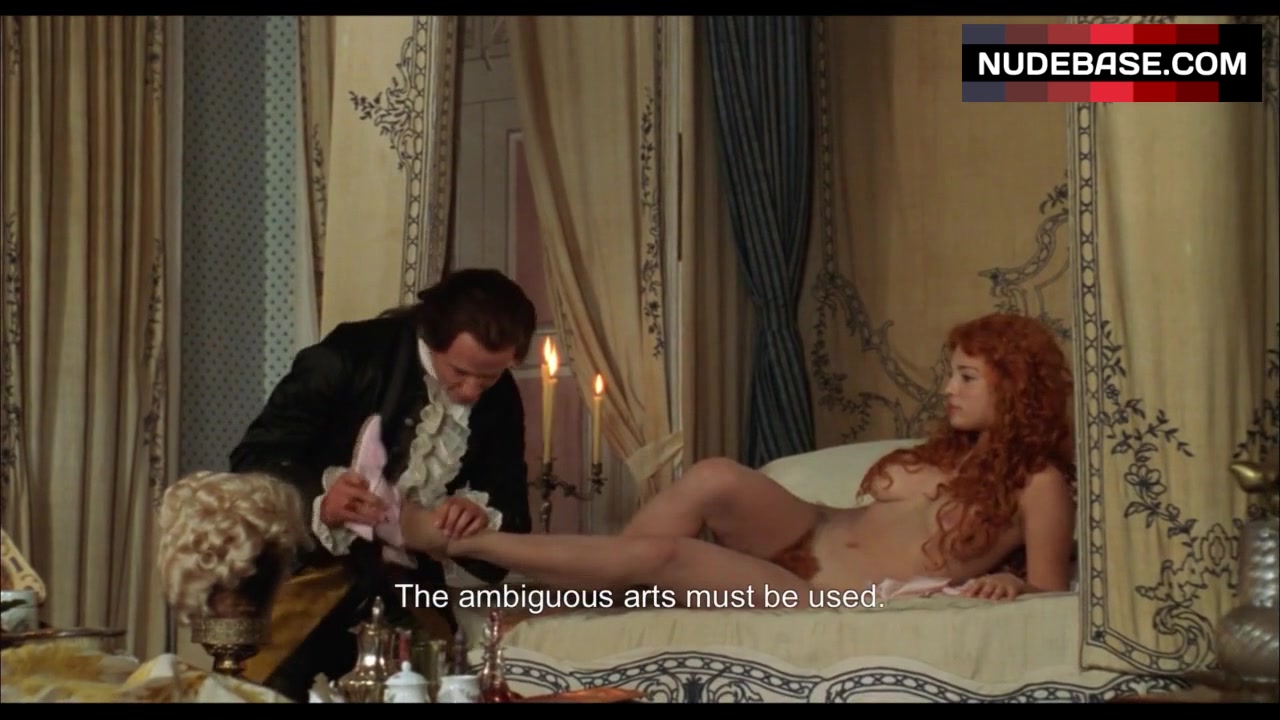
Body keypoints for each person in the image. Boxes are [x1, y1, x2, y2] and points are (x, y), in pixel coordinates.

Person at [398, 312, 1076, 606]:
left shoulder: (1038, 483)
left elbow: (1049, 590)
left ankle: (471, 544)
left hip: (824, 593)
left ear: (1013, 387)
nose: (948, 389)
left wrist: (1013, 583)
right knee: (716, 474)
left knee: (668, 557)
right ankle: (589, 598)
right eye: (951, 373)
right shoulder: (945, 452)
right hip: (809, 528)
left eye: (966, 377)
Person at [228, 268, 536, 702]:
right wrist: (321, 499)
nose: (471, 391)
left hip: (408, 592)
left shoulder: (500, 396)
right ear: (431, 337)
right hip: (302, 577)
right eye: (460, 372)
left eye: (487, 379)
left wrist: (477, 513)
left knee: (438, 692)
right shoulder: (348, 355)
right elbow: (252, 461)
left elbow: (510, 502)